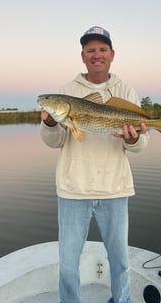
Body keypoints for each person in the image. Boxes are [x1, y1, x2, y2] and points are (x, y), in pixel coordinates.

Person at [40, 26, 149, 303]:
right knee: (67, 264)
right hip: (73, 189)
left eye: (102, 49)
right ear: (82, 55)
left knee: (120, 261)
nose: (96, 55)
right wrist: (50, 121)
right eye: (90, 50)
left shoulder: (125, 90)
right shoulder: (67, 92)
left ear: (112, 54)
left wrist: (134, 139)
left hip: (115, 188)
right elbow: (55, 142)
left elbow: (139, 146)